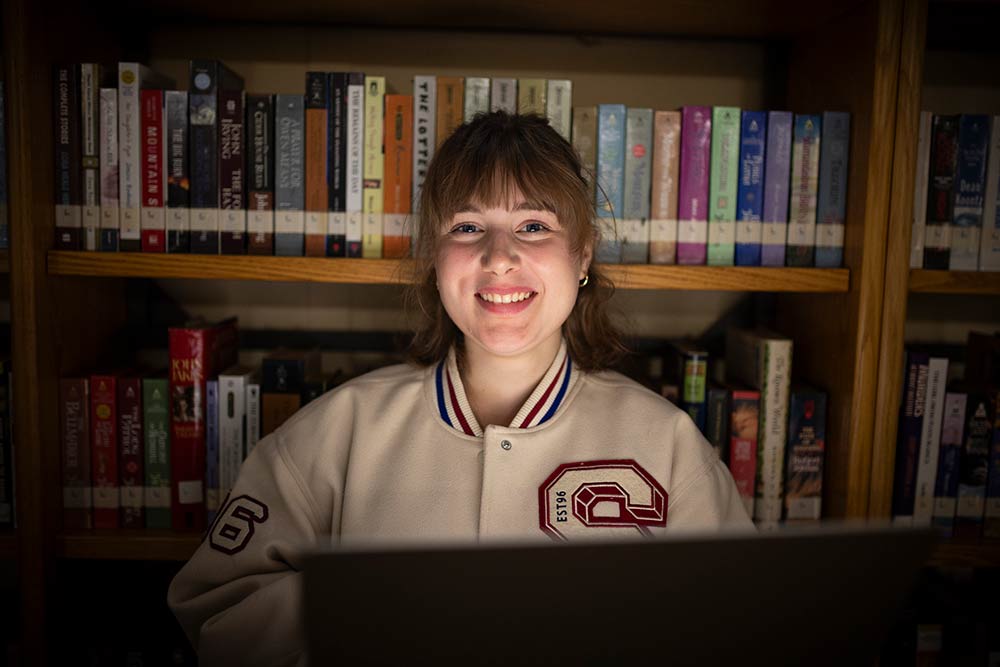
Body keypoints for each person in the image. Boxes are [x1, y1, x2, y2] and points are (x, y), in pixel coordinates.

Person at [168, 111, 753, 665]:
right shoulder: (336, 432)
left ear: (583, 255)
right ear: (434, 256)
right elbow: (217, 611)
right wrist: (378, 608)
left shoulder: (668, 443)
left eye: (534, 226)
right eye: (468, 227)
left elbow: (743, 625)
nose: (499, 257)